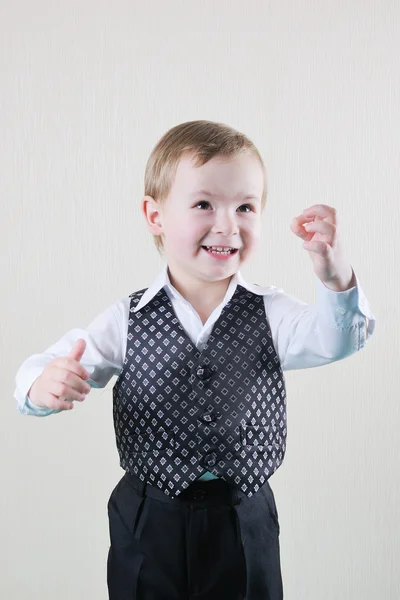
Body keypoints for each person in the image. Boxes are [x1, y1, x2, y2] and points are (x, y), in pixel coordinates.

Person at [14, 120, 376, 600]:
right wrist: (41, 385)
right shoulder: (128, 318)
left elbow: (339, 339)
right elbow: (48, 363)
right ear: (155, 215)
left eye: (245, 206)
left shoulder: (270, 312)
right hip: (149, 515)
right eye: (204, 204)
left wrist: (336, 277)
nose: (227, 224)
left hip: (243, 513)